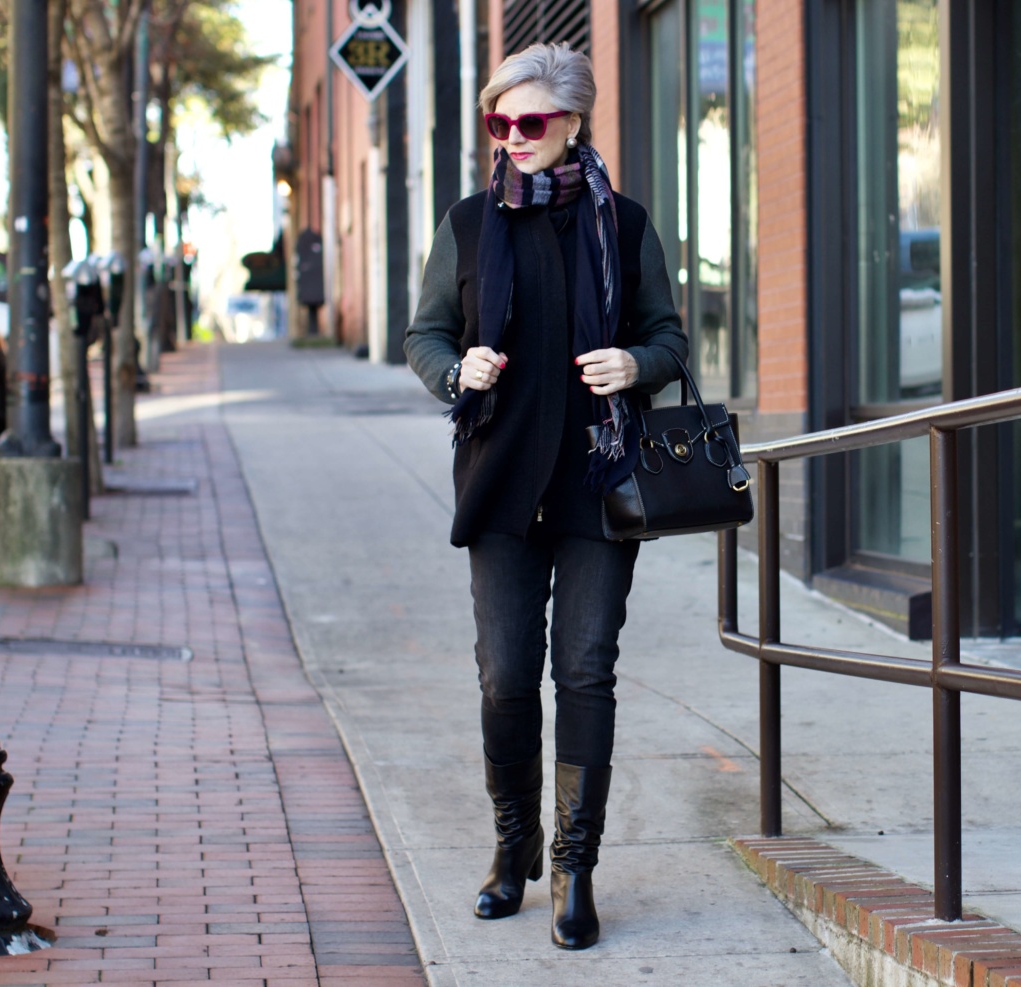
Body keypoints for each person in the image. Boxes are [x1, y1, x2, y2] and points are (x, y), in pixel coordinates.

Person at [403, 41, 688, 950]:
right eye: (499, 122)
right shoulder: (467, 224)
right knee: (504, 674)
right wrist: (459, 370)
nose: (513, 138)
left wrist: (634, 362)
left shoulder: (627, 223)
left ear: (573, 123)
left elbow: (670, 340)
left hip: (600, 483)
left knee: (586, 672)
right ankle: (512, 845)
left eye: (530, 122)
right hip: (500, 482)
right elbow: (425, 335)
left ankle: (574, 866)